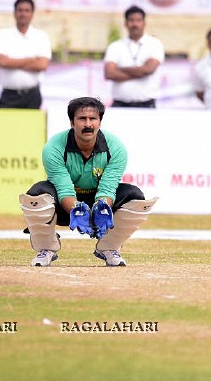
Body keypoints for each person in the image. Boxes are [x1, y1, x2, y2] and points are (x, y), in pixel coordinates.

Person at [19, 96, 156, 267]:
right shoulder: (54, 147)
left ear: (100, 122)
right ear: (72, 122)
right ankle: (46, 248)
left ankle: (109, 247)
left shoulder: (116, 148)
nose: (88, 124)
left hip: (100, 201)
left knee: (135, 197)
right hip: (65, 207)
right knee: (36, 194)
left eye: (93, 119)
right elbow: (63, 189)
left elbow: (108, 187)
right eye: (82, 119)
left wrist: (101, 210)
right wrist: (78, 210)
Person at [0, 0, 52, 109]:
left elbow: (42, 65)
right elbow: (2, 62)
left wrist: (12, 62)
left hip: (32, 96)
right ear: (14, 13)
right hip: (8, 96)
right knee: (6, 126)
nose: (23, 14)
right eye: (20, 10)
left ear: (32, 13)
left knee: (32, 127)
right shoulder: (3, 35)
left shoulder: (41, 36)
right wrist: (31, 60)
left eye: (27, 10)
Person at [103, 5, 165, 108]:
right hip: (119, 105)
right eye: (131, 20)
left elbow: (148, 70)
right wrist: (140, 72)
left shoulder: (155, 44)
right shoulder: (115, 46)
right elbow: (109, 73)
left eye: (138, 20)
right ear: (125, 23)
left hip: (146, 105)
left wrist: (119, 70)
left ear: (144, 23)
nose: (135, 24)